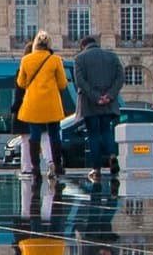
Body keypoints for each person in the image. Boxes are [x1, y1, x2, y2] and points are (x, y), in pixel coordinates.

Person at [14, 32, 68, 180]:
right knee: (54, 134)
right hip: (51, 103)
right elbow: (63, 84)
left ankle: (35, 168)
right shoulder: (55, 60)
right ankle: (57, 166)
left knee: (35, 135)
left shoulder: (26, 60)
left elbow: (21, 83)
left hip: (33, 103)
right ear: (49, 44)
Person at [71, 31, 125, 177]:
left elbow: (80, 82)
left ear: (83, 46)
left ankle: (96, 168)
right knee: (106, 131)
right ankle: (112, 155)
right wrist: (109, 95)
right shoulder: (112, 56)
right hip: (108, 103)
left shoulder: (80, 59)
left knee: (93, 135)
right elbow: (120, 78)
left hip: (90, 103)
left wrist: (96, 97)